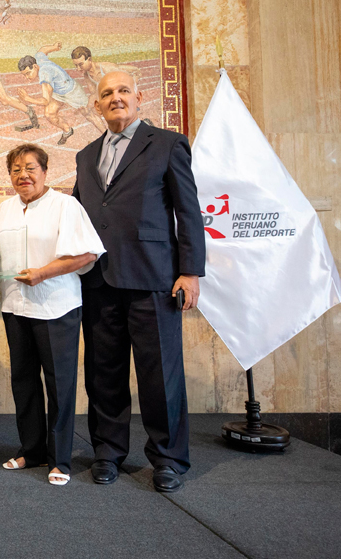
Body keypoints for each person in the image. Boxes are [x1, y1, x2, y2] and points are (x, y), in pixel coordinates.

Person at [72, 71, 205, 493]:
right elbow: (77, 214)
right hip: (99, 280)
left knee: (159, 373)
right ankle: (108, 452)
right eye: (107, 93)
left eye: (123, 91)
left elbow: (189, 211)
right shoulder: (85, 154)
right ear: (97, 105)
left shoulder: (167, 144)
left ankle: (168, 458)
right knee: (103, 372)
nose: (115, 98)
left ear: (139, 97)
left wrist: (190, 272)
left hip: (155, 278)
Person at [0, 144, 105, 486]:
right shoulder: (5, 210)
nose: (22, 175)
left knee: (59, 383)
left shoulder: (65, 206)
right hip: (15, 306)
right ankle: (31, 449)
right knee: (23, 381)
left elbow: (88, 253)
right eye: (15, 169)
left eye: (30, 168)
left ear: (44, 171)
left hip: (56, 306)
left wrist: (44, 273)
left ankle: (60, 459)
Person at [17, 42, 106, 145]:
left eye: (28, 73)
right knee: (49, 114)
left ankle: (107, 136)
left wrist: (28, 99)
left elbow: (45, 100)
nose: (27, 77)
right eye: (25, 75)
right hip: (58, 92)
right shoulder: (38, 58)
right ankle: (67, 130)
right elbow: (43, 49)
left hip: (72, 91)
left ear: (35, 66)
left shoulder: (45, 73)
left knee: (89, 114)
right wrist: (54, 47)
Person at [70, 45, 142, 91]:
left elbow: (135, 70)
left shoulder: (106, 68)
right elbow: (94, 93)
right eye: (76, 65)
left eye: (81, 64)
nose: (78, 69)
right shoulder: (87, 76)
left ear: (89, 60)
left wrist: (134, 82)